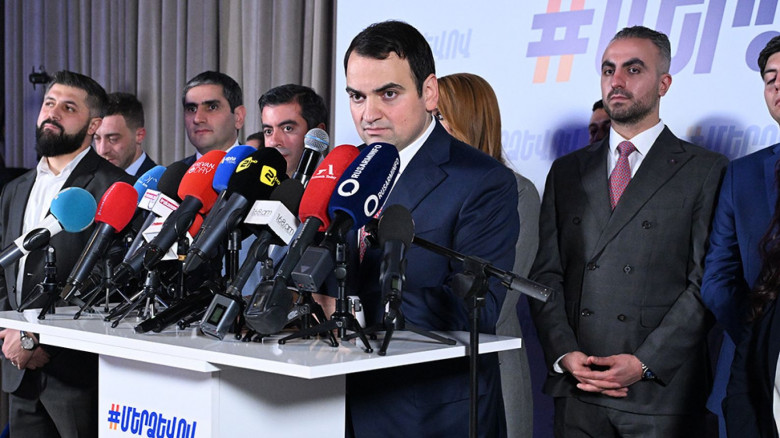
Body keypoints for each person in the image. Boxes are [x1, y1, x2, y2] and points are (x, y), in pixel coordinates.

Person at [529, 26, 728, 437]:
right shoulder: (567, 171)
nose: (616, 81)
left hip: (660, 397)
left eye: (633, 69)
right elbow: (546, 274)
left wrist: (644, 363)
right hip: (579, 388)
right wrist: (564, 353)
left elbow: (705, 284)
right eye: (608, 70)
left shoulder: (705, 169)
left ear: (664, 83)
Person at [343, 20, 520, 437]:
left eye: (388, 94)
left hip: (431, 414)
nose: (368, 114)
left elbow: (478, 309)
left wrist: (353, 309)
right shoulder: (348, 170)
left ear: (429, 92)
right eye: (357, 96)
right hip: (336, 404)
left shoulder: (482, 179)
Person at [0, 70, 133, 438]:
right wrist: (11, 331)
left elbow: (106, 281)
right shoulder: (15, 188)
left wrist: (37, 338)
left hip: (76, 373)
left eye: (68, 107)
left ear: (93, 126)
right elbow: (3, 269)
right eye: (49, 103)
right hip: (17, 368)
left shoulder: (115, 187)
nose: (53, 113)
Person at [435, 72, 551, 437]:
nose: (428, 128)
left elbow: (492, 305)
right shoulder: (423, 192)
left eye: (439, 117)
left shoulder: (518, 194)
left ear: (468, 121)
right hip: (426, 378)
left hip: (488, 374)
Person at [707, 34, 780, 438]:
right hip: (753, 377)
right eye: (770, 79)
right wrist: (760, 338)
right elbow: (719, 277)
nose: (777, 86)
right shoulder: (743, 173)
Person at [258, 84, 328, 177]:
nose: (274, 142)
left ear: (317, 133)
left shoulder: (338, 184)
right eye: (268, 131)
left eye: (288, 128)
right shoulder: (258, 182)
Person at [180, 71, 246, 166]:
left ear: (238, 117)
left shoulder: (260, 169)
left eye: (212, 107)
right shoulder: (173, 174)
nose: (197, 119)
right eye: (192, 109)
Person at [93, 92, 157, 178]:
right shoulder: (92, 181)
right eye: (97, 138)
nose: (102, 150)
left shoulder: (159, 183)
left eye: (113, 139)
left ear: (139, 135)